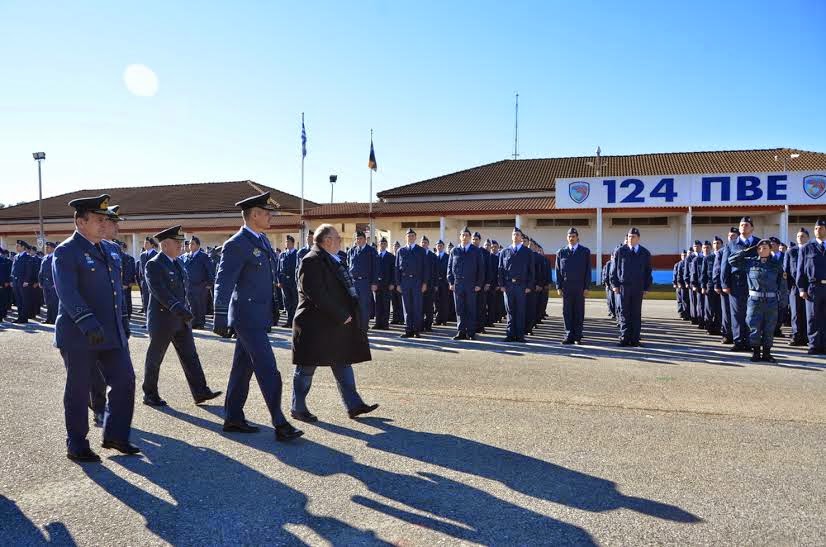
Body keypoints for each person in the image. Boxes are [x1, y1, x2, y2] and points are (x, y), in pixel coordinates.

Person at [52, 194, 138, 462]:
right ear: (80, 221)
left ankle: (115, 434)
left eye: (105, 220)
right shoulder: (66, 252)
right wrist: (87, 321)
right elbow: (67, 292)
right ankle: (76, 443)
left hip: (111, 333)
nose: (104, 224)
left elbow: (116, 293)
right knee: (78, 389)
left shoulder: (111, 250)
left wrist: (123, 323)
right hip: (79, 334)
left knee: (125, 381)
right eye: (98, 219)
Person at [213, 192, 303, 442]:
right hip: (246, 316)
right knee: (268, 369)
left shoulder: (261, 240)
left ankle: (232, 417)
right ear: (254, 215)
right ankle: (280, 423)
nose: (270, 216)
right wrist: (220, 316)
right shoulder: (236, 244)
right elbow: (223, 281)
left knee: (242, 369)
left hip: (259, 315)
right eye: (266, 212)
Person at [290, 223, 379, 422]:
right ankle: (298, 407)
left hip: (333, 325)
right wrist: (341, 314)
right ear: (327, 240)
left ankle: (354, 405)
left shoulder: (334, 259)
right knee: (306, 369)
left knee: (342, 363)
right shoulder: (311, 260)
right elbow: (316, 294)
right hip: (314, 325)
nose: (340, 240)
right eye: (337, 237)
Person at [142, 225, 223, 407]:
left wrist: (185, 310)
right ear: (165, 245)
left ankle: (200, 391)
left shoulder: (178, 262)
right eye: (176, 243)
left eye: (181, 242)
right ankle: (150, 394)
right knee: (155, 358)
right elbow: (159, 291)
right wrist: (178, 308)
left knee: (190, 356)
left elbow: (183, 289)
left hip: (181, 319)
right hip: (162, 320)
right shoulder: (154, 264)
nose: (181, 246)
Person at [728, 239, 783, 362]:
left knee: (769, 327)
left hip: (771, 301)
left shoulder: (776, 264)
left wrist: (782, 302)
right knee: (754, 326)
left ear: (770, 249)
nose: (761, 250)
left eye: (765, 248)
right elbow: (732, 261)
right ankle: (756, 353)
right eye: (759, 248)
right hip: (754, 300)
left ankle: (767, 353)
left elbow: (782, 284)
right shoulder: (750, 263)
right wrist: (746, 251)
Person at [721, 217, 760, 352]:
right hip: (737, 282)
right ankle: (738, 341)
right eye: (741, 225)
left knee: (752, 313)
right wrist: (725, 283)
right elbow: (724, 265)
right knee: (737, 313)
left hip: (755, 283)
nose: (743, 227)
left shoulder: (758, 243)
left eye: (747, 225)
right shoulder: (731, 244)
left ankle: (750, 342)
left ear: (752, 228)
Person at [610, 228, 653, 347]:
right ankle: (624, 337)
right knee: (624, 312)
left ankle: (634, 339)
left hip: (638, 287)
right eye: (629, 236)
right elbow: (614, 270)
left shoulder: (645, 253)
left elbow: (648, 272)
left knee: (635, 313)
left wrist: (646, 288)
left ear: (638, 238)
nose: (630, 238)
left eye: (633, 236)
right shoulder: (620, 251)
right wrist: (615, 285)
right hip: (624, 287)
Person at [555, 228, 591, 344]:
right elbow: (558, 271)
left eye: (573, 236)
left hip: (580, 286)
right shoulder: (561, 252)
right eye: (569, 236)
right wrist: (558, 287)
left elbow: (588, 271)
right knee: (567, 312)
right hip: (566, 286)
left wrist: (586, 287)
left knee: (579, 311)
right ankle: (568, 335)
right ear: (567, 238)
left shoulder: (585, 251)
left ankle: (578, 336)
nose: (571, 238)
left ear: (577, 237)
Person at [448, 227, 484, 340]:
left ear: (470, 237)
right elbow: (449, 268)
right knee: (459, 309)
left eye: (467, 235)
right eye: (463, 235)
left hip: (471, 284)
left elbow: (481, 269)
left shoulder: (476, 250)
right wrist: (451, 282)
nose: (465, 237)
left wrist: (479, 284)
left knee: (471, 309)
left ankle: (471, 332)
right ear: (460, 237)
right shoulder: (454, 250)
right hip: (458, 284)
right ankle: (461, 331)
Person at [498, 227, 534, 342]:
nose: (515, 236)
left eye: (518, 234)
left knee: (520, 311)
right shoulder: (505, 252)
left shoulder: (527, 252)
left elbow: (531, 270)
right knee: (510, 311)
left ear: (521, 237)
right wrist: (501, 284)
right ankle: (510, 334)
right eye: (514, 234)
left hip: (521, 286)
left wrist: (529, 286)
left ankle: (519, 335)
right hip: (508, 286)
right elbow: (500, 269)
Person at [795, 219, 826, 355]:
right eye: (816, 228)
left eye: (821, 228)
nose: (818, 230)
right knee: (813, 317)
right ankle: (814, 344)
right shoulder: (807, 247)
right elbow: (800, 270)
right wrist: (801, 288)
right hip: (813, 287)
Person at [395, 228, 429, 338]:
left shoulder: (421, 250)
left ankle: (416, 330)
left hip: (417, 281)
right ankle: (408, 330)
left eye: (412, 236)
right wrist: (398, 284)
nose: (410, 237)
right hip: (405, 282)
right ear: (406, 237)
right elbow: (397, 269)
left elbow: (425, 268)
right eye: (408, 236)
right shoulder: (401, 251)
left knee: (417, 307)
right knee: (407, 307)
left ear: (415, 237)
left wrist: (424, 283)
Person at [347, 230, 378, 332]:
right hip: (354, 282)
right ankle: (356, 327)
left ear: (365, 239)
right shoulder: (351, 251)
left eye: (360, 238)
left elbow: (375, 268)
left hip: (365, 283)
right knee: (354, 306)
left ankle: (364, 328)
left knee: (364, 306)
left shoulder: (371, 251)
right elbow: (348, 267)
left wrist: (374, 283)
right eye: (356, 239)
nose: (358, 240)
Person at [181, 235, 214, 330]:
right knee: (190, 304)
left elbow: (210, 270)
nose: (190, 245)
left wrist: (209, 283)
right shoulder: (184, 257)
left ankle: (200, 323)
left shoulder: (204, 256)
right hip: (188, 285)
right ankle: (192, 322)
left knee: (200, 304)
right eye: (190, 243)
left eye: (192, 243)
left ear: (198, 245)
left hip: (201, 285)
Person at [784, 228, 809, 346]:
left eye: (803, 236)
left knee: (809, 313)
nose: (800, 238)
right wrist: (789, 287)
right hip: (795, 286)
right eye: (799, 236)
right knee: (795, 313)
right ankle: (796, 336)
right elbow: (786, 270)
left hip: (809, 286)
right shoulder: (791, 251)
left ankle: (807, 336)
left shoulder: (811, 249)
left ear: (808, 238)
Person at [716, 227, 740, 343]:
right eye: (729, 236)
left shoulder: (741, 249)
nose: (731, 238)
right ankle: (727, 335)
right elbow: (717, 269)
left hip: (739, 286)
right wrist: (718, 284)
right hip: (726, 287)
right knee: (726, 313)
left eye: (733, 236)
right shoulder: (722, 251)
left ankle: (740, 335)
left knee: (739, 313)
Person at [702, 237, 723, 336]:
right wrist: (703, 286)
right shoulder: (708, 258)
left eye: (718, 243)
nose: (716, 245)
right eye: (714, 243)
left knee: (720, 309)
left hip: (722, 287)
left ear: (722, 245)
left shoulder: (724, 256)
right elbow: (703, 274)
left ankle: (718, 327)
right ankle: (709, 327)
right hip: (710, 286)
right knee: (709, 308)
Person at [277, 235, 299, 328]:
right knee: (287, 302)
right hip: (284, 282)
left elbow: (298, 268)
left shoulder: (296, 254)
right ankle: (288, 321)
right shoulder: (282, 254)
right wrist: (279, 281)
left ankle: (294, 321)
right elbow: (279, 269)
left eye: (288, 242)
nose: (287, 244)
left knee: (295, 302)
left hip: (293, 282)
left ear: (293, 243)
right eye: (286, 242)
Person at [373, 237, 395, 330]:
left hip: (387, 284)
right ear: (378, 245)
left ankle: (385, 324)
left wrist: (392, 283)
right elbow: (373, 270)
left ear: (386, 245)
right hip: (377, 284)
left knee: (386, 305)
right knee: (378, 305)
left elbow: (393, 271)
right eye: (381, 243)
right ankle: (378, 323)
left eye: (384, 243)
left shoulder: (390, 256)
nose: (382, 245)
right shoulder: (375, 255)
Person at [471, 232, 491, 334]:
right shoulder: (468, 250)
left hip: (482, 285)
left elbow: (489, 269)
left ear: (480, 241)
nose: (475, 241)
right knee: (471, 306)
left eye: (477, 239)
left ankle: (481, 327)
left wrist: (487, 283)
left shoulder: (485, 253)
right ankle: (471, 327)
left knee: (481, 306)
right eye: (473, 239)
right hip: (470, 284)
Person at [11, 240, 34, 323]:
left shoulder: (27, 257)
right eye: (16, 246)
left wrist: (26, 281)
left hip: (23, 282)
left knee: (24, 300)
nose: (16, 247)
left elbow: (29, 270)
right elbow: (13, 270)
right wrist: (11, 279)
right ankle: (20, 317)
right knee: (18, 300)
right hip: (16, 281)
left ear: (23, 247)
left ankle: (24, 318)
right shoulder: (16, 256)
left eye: (18, 246)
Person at [420, 235, 438, 332]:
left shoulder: (433, 256)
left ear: (428, 244)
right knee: (420, 306)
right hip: (419, 285)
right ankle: (420, 325)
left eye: (425, 242)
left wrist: (435, 284)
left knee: (429, 306)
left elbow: (436, 271)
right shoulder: (417, 254)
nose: (423, 244)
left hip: (430, 285)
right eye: (422, 242)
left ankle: (428, 325)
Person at [38, 242, 59, 324]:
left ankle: (54, 319)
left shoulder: (56, 257)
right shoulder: (44, 258)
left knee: (54, 302)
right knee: (48, 302)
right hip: (45, 284)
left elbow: (57, 271)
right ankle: (48, 318)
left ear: (53, 248)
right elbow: (41, 271)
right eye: (46, 247)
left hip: (53, 284)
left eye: (48, 247)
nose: (46, 249)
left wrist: (56, 283)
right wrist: (40, 281)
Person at [139, 237, 158, 315]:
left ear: (152, 244)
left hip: (153, 282)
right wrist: (141, 281)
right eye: (144, 243)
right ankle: (147, 321)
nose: (145, 244)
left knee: (154, 302)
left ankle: (154, 321)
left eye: (147, 243)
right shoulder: (142, 255)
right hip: (144, 282)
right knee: (146, 301)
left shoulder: (156, 254)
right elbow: (140, 270)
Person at [433, 240, 451, 325]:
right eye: (438, 245)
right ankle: (437, 319)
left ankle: (444, 320)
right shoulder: (433, 257)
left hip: (444, 282)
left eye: (441, 245)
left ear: (443, 247)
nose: (439, 247)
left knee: (444, 301)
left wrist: (449, 282)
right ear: (436, 246)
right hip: (436, 283)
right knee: (436, 302)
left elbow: (449, 270)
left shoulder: (448, 257)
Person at [390, 241, 405, 325]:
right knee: (394, 302)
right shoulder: (391, 257)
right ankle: (395, 318)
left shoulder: (402, 256)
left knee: (400, 302)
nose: (396, 248)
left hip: (400, 283)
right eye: (395, 246)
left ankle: (402, 318)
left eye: (397, 246)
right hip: (392, 284)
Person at [673, 251, 688, 319]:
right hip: (679, 285)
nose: (684, 256)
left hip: (686, 285)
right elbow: (675, 274)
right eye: (682, 255)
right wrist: (675, 283)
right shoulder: (677, 264)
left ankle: (686, 313)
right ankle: (681, 312)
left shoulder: (688, 263)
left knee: (685, 300)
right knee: (680, 300)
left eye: (685, 255)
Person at [0, 249, 11, 321]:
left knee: (2, 301)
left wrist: (6, 281)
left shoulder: (3, 260)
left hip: (2, 284)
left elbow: (7, 272)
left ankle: (1, 316)